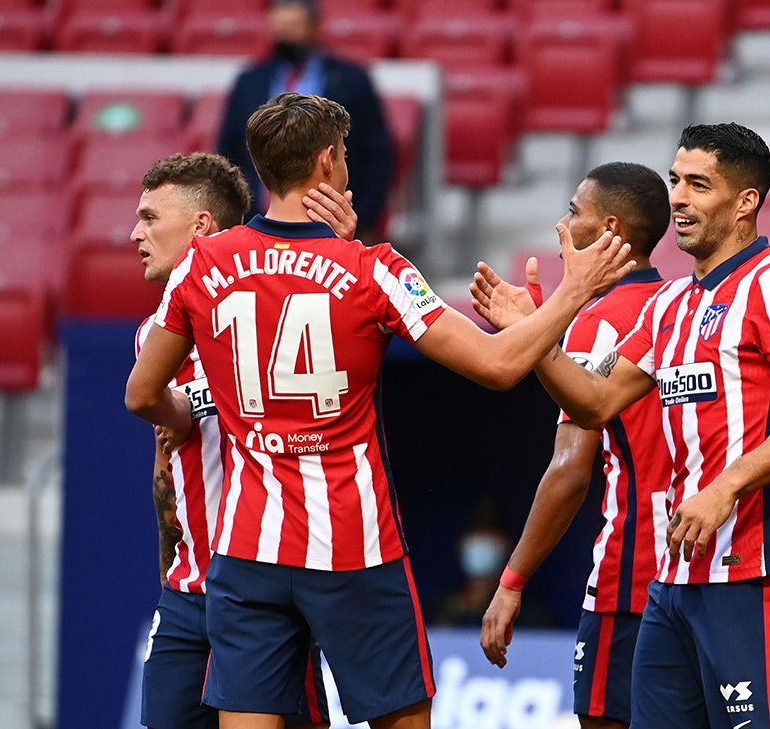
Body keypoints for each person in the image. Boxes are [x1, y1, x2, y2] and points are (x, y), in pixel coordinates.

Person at [125, 92, 634, 729]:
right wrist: (573, 293)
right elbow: (500, 366)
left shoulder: (202, 266)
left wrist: (184, 414)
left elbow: (142, 396)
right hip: (351, 542)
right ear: (328, 161)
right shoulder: (371, 269)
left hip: (247, 546)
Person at [471, 124, 770, 729]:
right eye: (675, 181)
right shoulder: (670, 305)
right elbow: (595, 403)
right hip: (672, 581)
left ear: (746, 201)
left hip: (755, 571)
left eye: (698, 184)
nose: (678, 198)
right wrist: (533, 335)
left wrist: (725, 488)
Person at [132, 152, 346, 729]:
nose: (135, 234)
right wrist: (170, 568)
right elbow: (166, 461)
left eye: (151, 218)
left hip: (264, 587)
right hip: (188, 593)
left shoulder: (280, 311)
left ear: (201, 227)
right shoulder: (154, 335)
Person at [478, 162, 673, 729]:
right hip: (700, 576)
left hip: (631, 579)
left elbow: (570, 469)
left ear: (609, 229)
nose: (562, 226)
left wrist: (511, 582)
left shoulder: (601, 321)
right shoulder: (680, 308)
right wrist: (545, 328)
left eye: (573, 213)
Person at [218, 0, 393, 236]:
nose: (286, 35)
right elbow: (229, 149)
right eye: (281, 28)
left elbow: (379, 153)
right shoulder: (250, 80)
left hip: (333, 221)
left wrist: (362, 218)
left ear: (314, 27)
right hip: (259, 222)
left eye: (294, 26)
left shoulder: (353, 80)